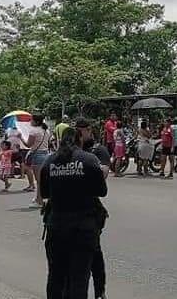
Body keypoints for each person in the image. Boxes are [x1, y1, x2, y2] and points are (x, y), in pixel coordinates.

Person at [40, 127, 108, 299]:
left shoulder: (50, 161)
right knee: (79, 278)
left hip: (56, 227)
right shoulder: (89, 159)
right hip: (83, 228)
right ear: (79, 140)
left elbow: (45, 194)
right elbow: (102, 191)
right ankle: (100, 292)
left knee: (55, 277)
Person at [74, 117, 110, 299]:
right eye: (76, 131)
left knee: (95, 254)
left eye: (82, 131)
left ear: (89, 130)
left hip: (90, 209)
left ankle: (100, 291)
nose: (79, 135)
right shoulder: (69, 151)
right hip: (69, 209)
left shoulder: (98, 149)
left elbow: (102, 173)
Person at [24, 114, 50, 207]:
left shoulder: (33, 131)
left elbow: (28, 145)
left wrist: (21, 137)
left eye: (31, 120)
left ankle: (40, 200)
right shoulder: (46, 131)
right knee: (41, 179)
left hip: (37, 155)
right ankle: (38, 198)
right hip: (45, 154)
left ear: (36, 121)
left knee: (39, 180)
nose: (30, 121)